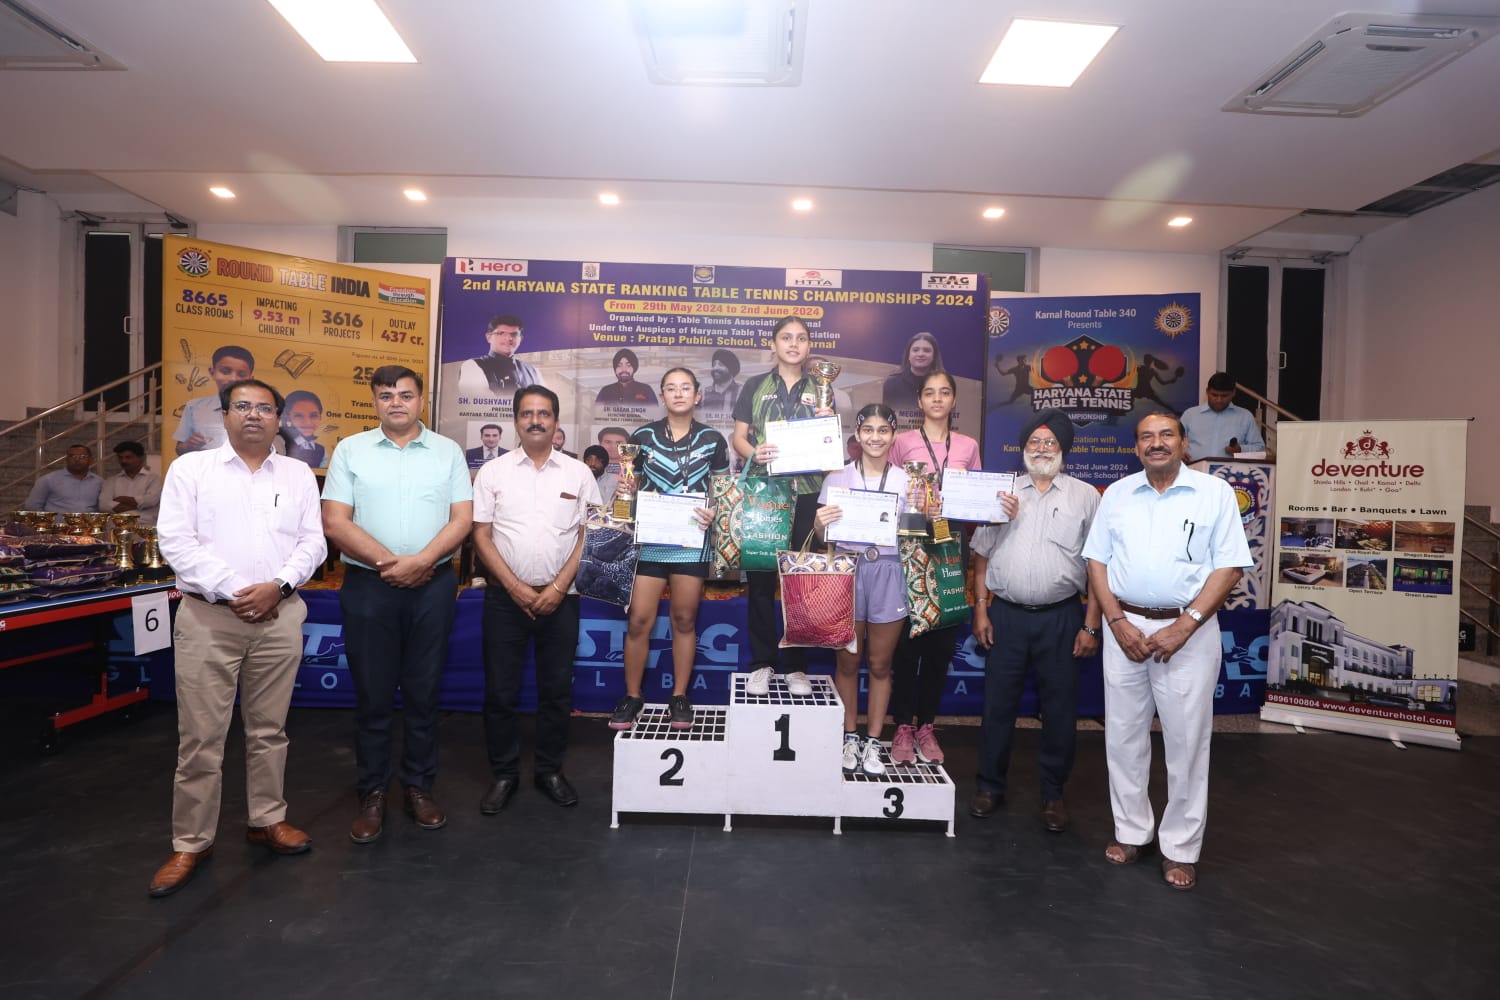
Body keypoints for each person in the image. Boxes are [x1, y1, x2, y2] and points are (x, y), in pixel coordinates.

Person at [148, 378, 326, 897]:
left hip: (280, 616)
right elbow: (176, 543)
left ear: (278, 418)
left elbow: (312, 542)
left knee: (270, 730)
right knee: (201, 738)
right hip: (209, 618)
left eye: (264, 408)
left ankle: (267, 819)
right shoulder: (191, 470)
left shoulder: (297, 474)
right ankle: (191, 842)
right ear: (224, 415)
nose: (253, 415)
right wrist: (238, 592)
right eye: (242, 406)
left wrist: (278, 587)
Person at [1082, 410, 1252, 891]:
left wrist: (1185, 625)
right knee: (1122, 736)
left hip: (1189, 632)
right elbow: (1097, 562)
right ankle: (1131, 831)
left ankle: (1180, 847)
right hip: (1125, 629)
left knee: (1187, 742)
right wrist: (1116, 621)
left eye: (1166, 435)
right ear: (1136, 447)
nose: (1156, 443)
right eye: (1146, 437)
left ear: (1183, 442)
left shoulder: (1214, 493)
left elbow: (1229, 567)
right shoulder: (1117, 495)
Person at [322, 365, 473, 844]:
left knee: (424, 693)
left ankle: (418, 787)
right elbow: (335, 521)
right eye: (386, 395)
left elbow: (462, 519)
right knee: (373, 695)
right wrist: (391, 564)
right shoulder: (351, 450)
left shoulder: (447, 452)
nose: (396, 403)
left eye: (405, 395)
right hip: (369, 586)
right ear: (375, 402)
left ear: (420, 400)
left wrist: (422, 562)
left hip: (432, 585)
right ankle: (372, 793)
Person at [968, 409, 1101, 832]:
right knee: (997, 706)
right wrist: (981, 608)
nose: (1041, 449)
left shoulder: (1086, 497)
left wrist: (1091, 624)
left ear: (1063, 449)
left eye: (1050, 442)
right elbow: (981, 556)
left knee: (1060, 710)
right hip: (1006, 616)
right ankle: (989, 786)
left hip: (1062, 618)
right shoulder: (1004, 492)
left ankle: (1053, 794)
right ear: (1023, 448)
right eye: (1034, 442)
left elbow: (1099, 566)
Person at [471, 385, 600, 812]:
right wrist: (514, 586)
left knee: (557, 691)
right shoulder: (494, 472)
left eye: (544, 413)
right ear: (515, 421)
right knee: (500, 692)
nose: (535, 421)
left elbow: (590, 534)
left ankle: (549, 770)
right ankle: (504, 774)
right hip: (504, 599)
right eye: (527, 414)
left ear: (556, 422)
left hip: (562, 599)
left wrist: (559, 587)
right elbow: (481, 534)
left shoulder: (578, 474)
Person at [609, 367, 729, 731]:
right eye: (671, 388)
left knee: (684, 620)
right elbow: (628, 490)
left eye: (685, 388)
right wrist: (625, 493)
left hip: (691, 541)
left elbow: (722, 491)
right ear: (662, 396)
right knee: (638, 621)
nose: (678, 393)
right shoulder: (642, 437)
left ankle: (679, 696)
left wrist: (714, 510)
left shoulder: (713, 439)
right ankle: (632, 696)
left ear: (697, 396)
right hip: (650, 540)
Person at [731, 315, 836, 697]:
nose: (794, 344)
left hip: (808, 493)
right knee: (761, 582)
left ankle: (796, 666)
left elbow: (829, 448)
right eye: (786, 337)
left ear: (809, 346)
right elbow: (738, 438)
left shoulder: (822, 388)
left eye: (801, 338)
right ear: (773, 344)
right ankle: (761, 663)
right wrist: (753, 452)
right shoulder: (755, 386)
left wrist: (827, 425)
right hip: (766, 492)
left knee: (800, 581)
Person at [887, 371, 983, 767]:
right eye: (930, 393)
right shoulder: (901, 442)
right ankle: (902, 725)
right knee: (908, 642)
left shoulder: (968, 445)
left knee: (941, 644)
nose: (937, 399)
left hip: (949, 543)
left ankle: (927, 724)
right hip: (911, 543)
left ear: (954, 400)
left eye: (944, 392)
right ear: (920, 401)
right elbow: (890, 493)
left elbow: (975, 498)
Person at [814, 403, 909, 776]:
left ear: (893, 434)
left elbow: (917, 533)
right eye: (868, 429)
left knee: (881, 664)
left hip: (889, 571)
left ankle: (873, 740)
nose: (875, 437)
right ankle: (849, 735)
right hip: (848, 570)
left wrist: (926, 513)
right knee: (848, 661)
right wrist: (820, 522)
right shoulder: (837, 477)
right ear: (856, 434)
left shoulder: (906, 480)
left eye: (883, 430)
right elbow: (823, 537)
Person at [175, 345, 254, 455]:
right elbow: (179, 449)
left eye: (241, 374)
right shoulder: (194, 407)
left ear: (250, 379)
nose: (233, 379)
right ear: (212, 373)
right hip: (206, 466)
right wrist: (189, 445)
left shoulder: (261, 411)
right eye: (225, 371)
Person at [1180, 371, 1264, 461]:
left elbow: (1259, 448)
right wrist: (1179, 453)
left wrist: (1240, 449)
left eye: (1224, 396)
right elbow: (1174, 441)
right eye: (1214, 395)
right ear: (1207, 391)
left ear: (1233, 393)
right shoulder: (1190, 415)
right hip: (1193, 468)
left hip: (1231, 469)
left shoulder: (1245, 416)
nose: (1219, 400)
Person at [456, 314, 543, 398]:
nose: (509, 338)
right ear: (489, 337)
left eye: (514, 334)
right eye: (502, 333)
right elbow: (481, 404)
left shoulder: (532, 370)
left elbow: (544, 401)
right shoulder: (472, 366)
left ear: (521, 339)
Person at [882, 332, 944, 421]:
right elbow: (886, 419)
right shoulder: (892, 383)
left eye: (926, 350)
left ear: (934, 356)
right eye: (915, 350)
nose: (920, 354)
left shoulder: (944, 385)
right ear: (908, 355)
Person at [24, 443, 103, 513]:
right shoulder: (48, 480)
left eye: (82, 456)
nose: (77, 459)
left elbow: (100, 508)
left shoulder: (99, 482)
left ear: (91, 460)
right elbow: (32, 507)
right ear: (66, 459)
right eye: (72, 456)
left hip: (88, 525)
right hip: (57, 525)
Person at [99, 440, 162, 526]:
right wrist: (137, 505)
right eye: (120, 458)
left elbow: (150, 501)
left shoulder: (154, 479)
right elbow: (104, 505)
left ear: (141, 458)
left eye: (128, 457)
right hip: (118, 527)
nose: (123, 461)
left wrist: (123, 499)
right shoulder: (111, 481)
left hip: (145, 526)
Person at [277, 390, 325, 467]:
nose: (307, 422)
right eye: (298, 416)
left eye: (314, 415)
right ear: (288, 417)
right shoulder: (279, 442)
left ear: (320, 417)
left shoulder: (322, 450)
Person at [701, 348, 743, 413]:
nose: (715, 368)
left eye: (721, 365)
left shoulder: (741, 392)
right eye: (714, 365)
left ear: (731, 369)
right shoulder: (704, 391)